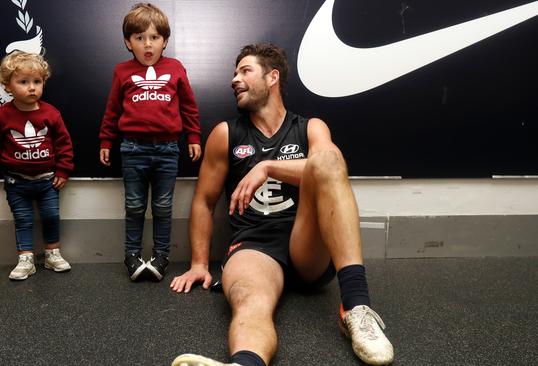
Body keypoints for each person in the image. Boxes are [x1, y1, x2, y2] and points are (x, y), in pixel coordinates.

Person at [170, 44, 394, 365]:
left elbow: (328, 168)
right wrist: (199, 264)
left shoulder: (310, 127)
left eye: (245, 70)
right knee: (250, 301)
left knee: (328, 158)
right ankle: (244, 363)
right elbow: (204, 202)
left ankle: (356, 307)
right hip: (253, 246)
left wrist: (268, 166)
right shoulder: (226, 134)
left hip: (305, 242)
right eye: (234, 73)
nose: (235, 79)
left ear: (272, 77)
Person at [99, 3, 201, 282]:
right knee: (134, 205)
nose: (147, 44)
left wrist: (193, 136)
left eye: (154, 37)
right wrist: (106, 141)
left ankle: (161, 255)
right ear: (127, 42)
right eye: (140, 38)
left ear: (164, 41)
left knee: (163, 206)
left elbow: (189, 107)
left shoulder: (176, 68)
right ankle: (131, 255)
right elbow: (112, 110)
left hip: (168, 149)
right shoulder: (122, 71)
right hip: (132, 149)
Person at [0, 51, 74, 281]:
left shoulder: (51, 114)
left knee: (51, 215)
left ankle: (52, 254)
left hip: (47, 180)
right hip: (16, 182)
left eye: (37, 82)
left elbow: (64, 145)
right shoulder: (2, 115)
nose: (31, 87)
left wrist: (63, 170)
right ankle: (26, 258)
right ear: (7, 85)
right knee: (23, 219)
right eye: (23, 82)